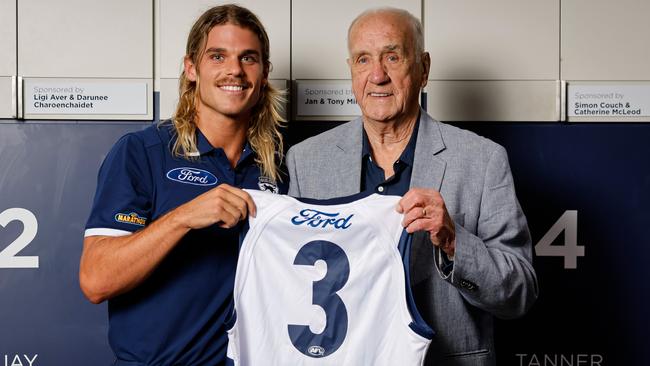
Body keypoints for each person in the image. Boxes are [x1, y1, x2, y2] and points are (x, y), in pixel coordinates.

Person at [286, 7, 538, 366]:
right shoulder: (306, 161)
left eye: (392, 56)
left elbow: (519, 294)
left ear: (424, 68)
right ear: (351, 71)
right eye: (363, 60)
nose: (377, 75)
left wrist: (454, 243)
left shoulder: (483, 160)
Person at [79, 4, 285, 365]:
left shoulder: (280, 167)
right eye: (218, 56)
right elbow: (96, 280)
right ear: (192, 68)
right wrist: (183, 218)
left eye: (248, 58)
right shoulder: (143, 152)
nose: (234, 70)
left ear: (264, 73)